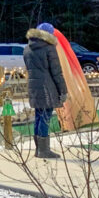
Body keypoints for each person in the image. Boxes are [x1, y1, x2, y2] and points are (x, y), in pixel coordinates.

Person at [23, 22, 68, 159]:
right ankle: (44, 150)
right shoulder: (49, 48)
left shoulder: (27, 48)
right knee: (45, 117)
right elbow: (56, 72)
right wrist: (63, 90)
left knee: (38, 116)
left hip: (33, 86)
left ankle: (39, 149)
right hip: (47, 86)